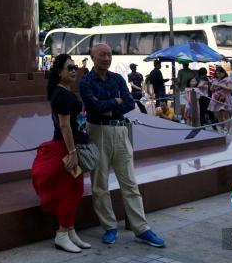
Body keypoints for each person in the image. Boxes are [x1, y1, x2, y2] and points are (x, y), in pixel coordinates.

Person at [80, 42, 165, 248]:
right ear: (92, 57)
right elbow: (94, 106)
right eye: (102, 55)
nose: (107, 58)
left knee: (130, 182)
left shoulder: (117, 78)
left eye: (109, 55)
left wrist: (110, 104)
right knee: (100, 183)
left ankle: (142, 228)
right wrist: (114, 102)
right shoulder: (86, 82)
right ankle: (109, 226)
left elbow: (128, 103)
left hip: (120, 131)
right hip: (98, 131)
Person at [31, 54, 91, 253]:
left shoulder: (65, 91)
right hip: (65, 149)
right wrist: (72, 152)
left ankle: (70, 231)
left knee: (75, 190)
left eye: (75, 67)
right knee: (68, 191)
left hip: (70, 146)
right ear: (59, 72)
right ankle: (62, 234)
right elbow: (65, 126)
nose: (74, 70)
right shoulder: (61, 94)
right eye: (69, 68)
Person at [208, 65, 232, 134]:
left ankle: (226, 130)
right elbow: (211, 89)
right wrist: (213, 85)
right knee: (217, 116)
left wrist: (221, 85)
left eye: (220, 73)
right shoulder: (215, 79)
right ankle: (223, 129)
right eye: (217, 73)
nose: (218, 74)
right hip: (216, 99)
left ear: (223, 72)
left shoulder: (228, 79)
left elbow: (230, 88)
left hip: (224, 98)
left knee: (225, 115)